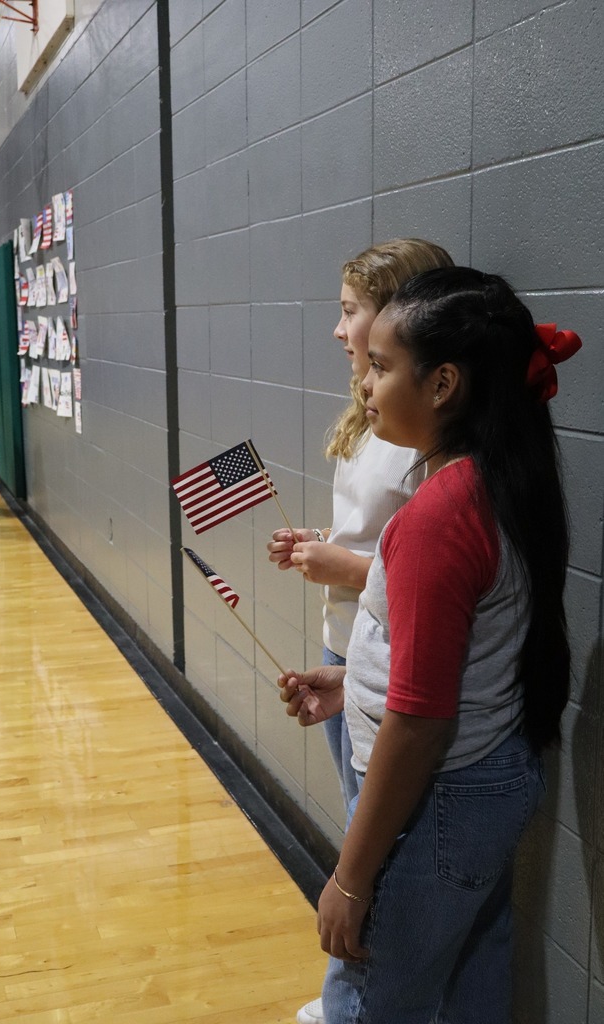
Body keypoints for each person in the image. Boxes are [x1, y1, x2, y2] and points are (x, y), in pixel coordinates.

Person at [278, 267, 580, 1024]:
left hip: (442, 798)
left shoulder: (437, 517)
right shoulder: (488, 478)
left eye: (381, 367)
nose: (366, 384)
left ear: (442, 383)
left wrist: (350, 879)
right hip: (485, 780)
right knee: (476, 971)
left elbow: (421, 722)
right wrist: (351, 687)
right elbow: (462, 654)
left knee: (382, 1001)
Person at [267, 239, 453, 1024]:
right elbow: (378, 538)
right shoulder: (372, 414)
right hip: (347, 653)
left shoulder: (434, 438)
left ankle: (350, 1007)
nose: (339, 332)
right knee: (357, 828)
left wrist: (340, 565)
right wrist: (327, 545)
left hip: (389, 665)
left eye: (350, 312)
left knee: (365, 857)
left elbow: (427, 568)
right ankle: (352, 1001)